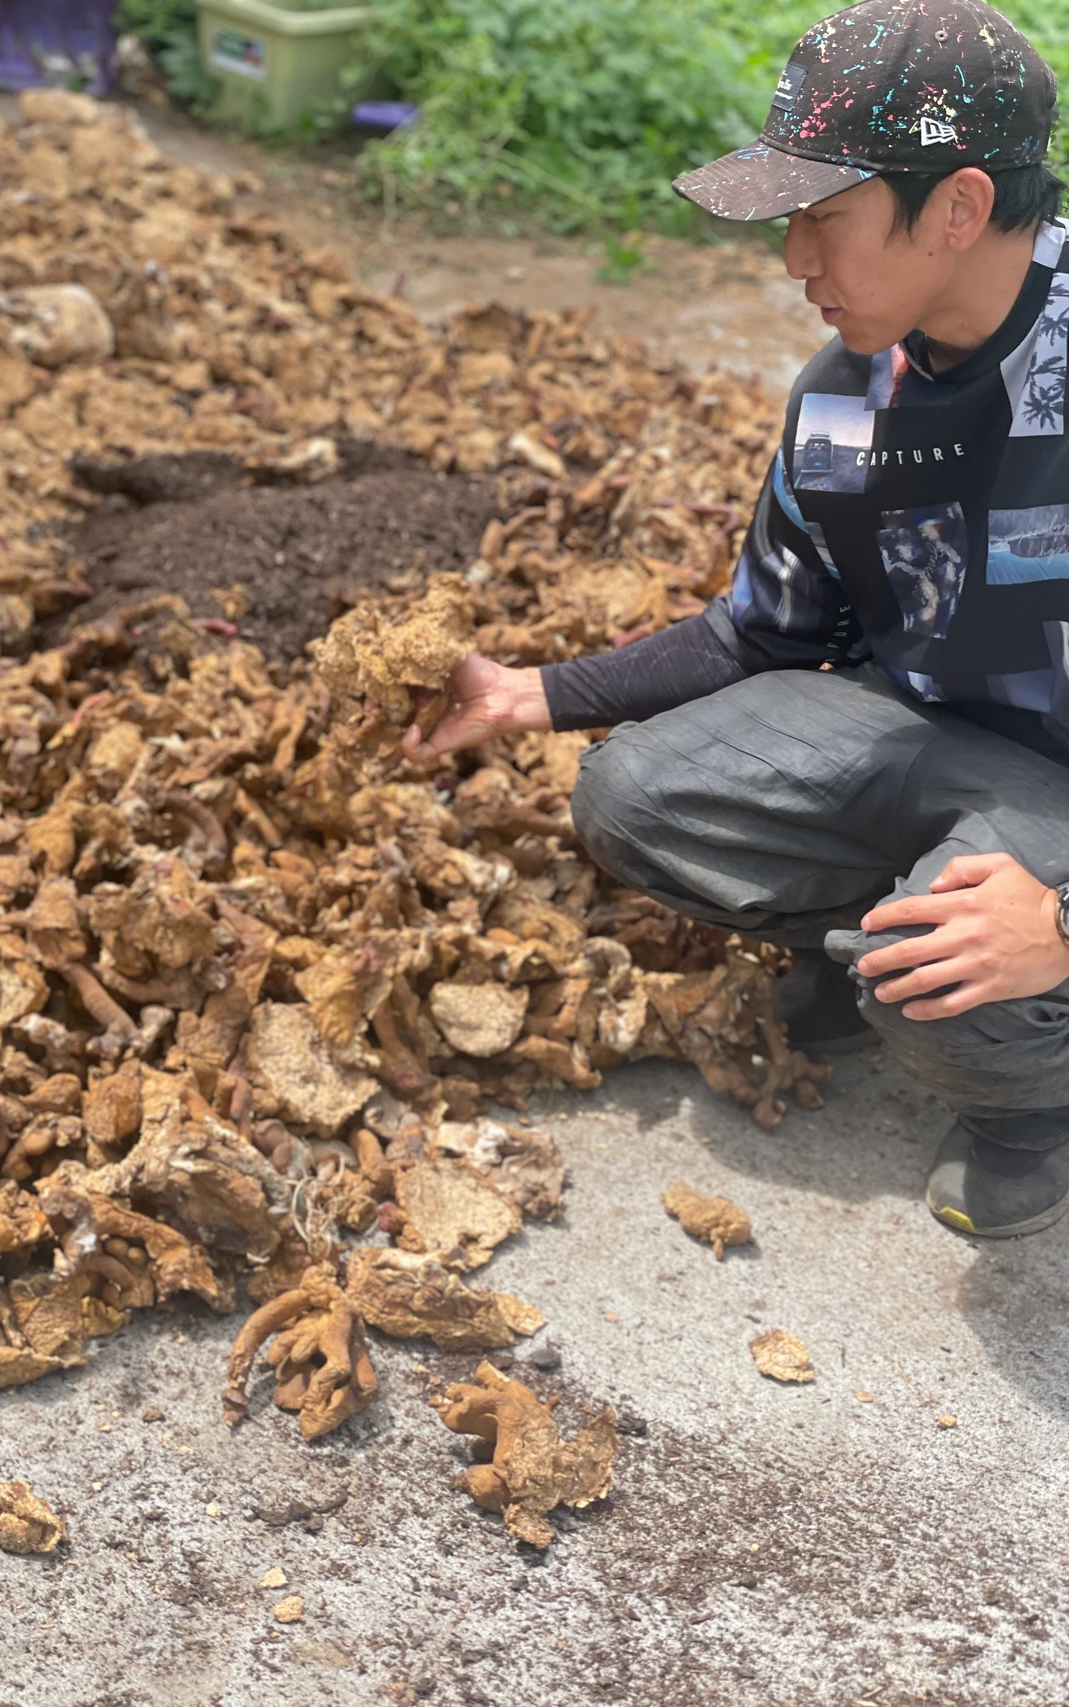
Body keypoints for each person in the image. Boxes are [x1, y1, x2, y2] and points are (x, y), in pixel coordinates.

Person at [403, 0, 1069, 1239]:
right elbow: (761, 634)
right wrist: (527, 695)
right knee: (634, 796)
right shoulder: (846, 398)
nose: (792, 262)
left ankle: (1027, 1098)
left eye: (823, 217)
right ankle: (894, 942)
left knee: (962, 980)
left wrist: (1059, 924)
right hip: (945, 747)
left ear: (959, 210)